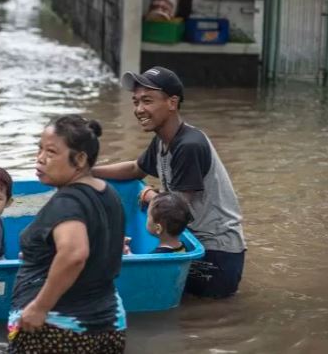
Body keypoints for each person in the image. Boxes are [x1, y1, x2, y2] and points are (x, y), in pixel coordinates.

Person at [92, 66, 246, 299]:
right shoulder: (163, 140)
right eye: (135, 102)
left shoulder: (189, 145)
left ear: (172, 103)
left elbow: (177, 209)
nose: (139, 109)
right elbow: (136, 169)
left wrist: (152, 196)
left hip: (216, 252)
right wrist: (88, 172)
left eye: (147, 101)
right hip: (192, 243)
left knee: (205, 320)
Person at [8, 115, 126, 354]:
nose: (40, 158)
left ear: (80, 159)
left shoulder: (67, 201)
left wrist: (40, 307)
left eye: (51, 152)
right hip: (109, 323)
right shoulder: (108, 193)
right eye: (39, 149)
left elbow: (74, 254)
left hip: (59, 329)